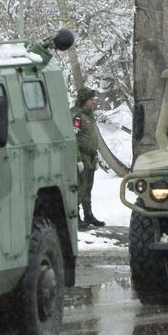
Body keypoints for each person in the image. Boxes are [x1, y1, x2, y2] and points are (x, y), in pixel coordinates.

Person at [74, 86, 105, 228]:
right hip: (82, 157)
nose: (94, 102)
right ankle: (75, 217)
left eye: (94, 99)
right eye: (91, 99)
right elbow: (73, 138)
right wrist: (77, 159)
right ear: (83, 101)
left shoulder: (89, 116)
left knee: (88, 188)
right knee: (80, 188)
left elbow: (92, 138)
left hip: (91, 157)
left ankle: (88, 215)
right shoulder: (77, 116)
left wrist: (96, 156)